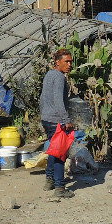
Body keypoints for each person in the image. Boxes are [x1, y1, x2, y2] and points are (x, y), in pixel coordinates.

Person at [39, 48, 74, 198]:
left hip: (47, 118)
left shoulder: (49, 75)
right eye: (66, 61)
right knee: (60, 153)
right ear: (57, 62)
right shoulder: (59, 77)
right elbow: (59, 101)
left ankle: (49, 180)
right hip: (56, 119)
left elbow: (42, 98)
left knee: (53, 150)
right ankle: (59, 188)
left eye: (71, 62)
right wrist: (66, 120)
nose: (69, 65)